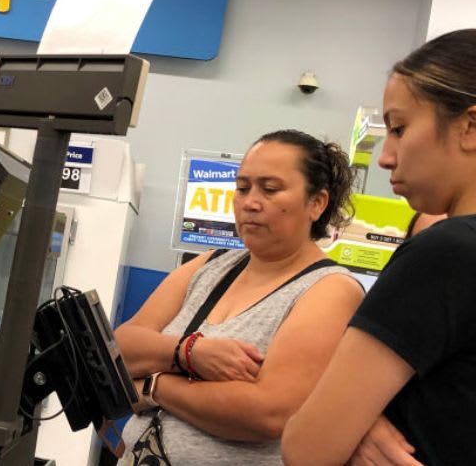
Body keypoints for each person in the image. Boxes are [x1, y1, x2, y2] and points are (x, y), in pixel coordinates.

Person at [282, 29, 476, 465]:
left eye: (400, 129)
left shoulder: (458, 250)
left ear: (473, 126)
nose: (386, 156)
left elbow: (306, 449)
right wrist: (362, 422)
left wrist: (352, 425)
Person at [114, 130, 365, 465]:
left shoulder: (329, 289)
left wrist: (152, 387)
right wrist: (190, 353)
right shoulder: (211, 264)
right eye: (243, 188)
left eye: (271, 189)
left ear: (316, 203)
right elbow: (120, 347)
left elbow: (267, 412)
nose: (251, 202)